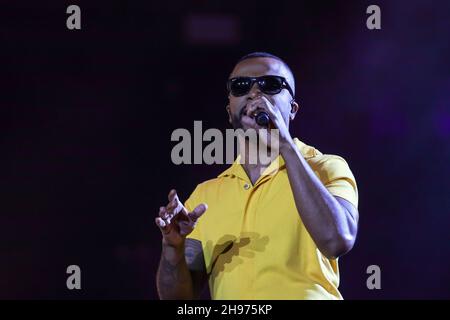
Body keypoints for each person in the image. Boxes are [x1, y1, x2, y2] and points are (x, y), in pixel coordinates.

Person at [155, 52, 359, 300]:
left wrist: (284, 144)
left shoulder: (326, 168)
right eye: (240, 87)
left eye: (270, 84)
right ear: (229, 112)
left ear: (292, 109)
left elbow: (337, 240)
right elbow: (177, 299)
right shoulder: (205, 195)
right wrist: (172, 248)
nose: (254, 93)